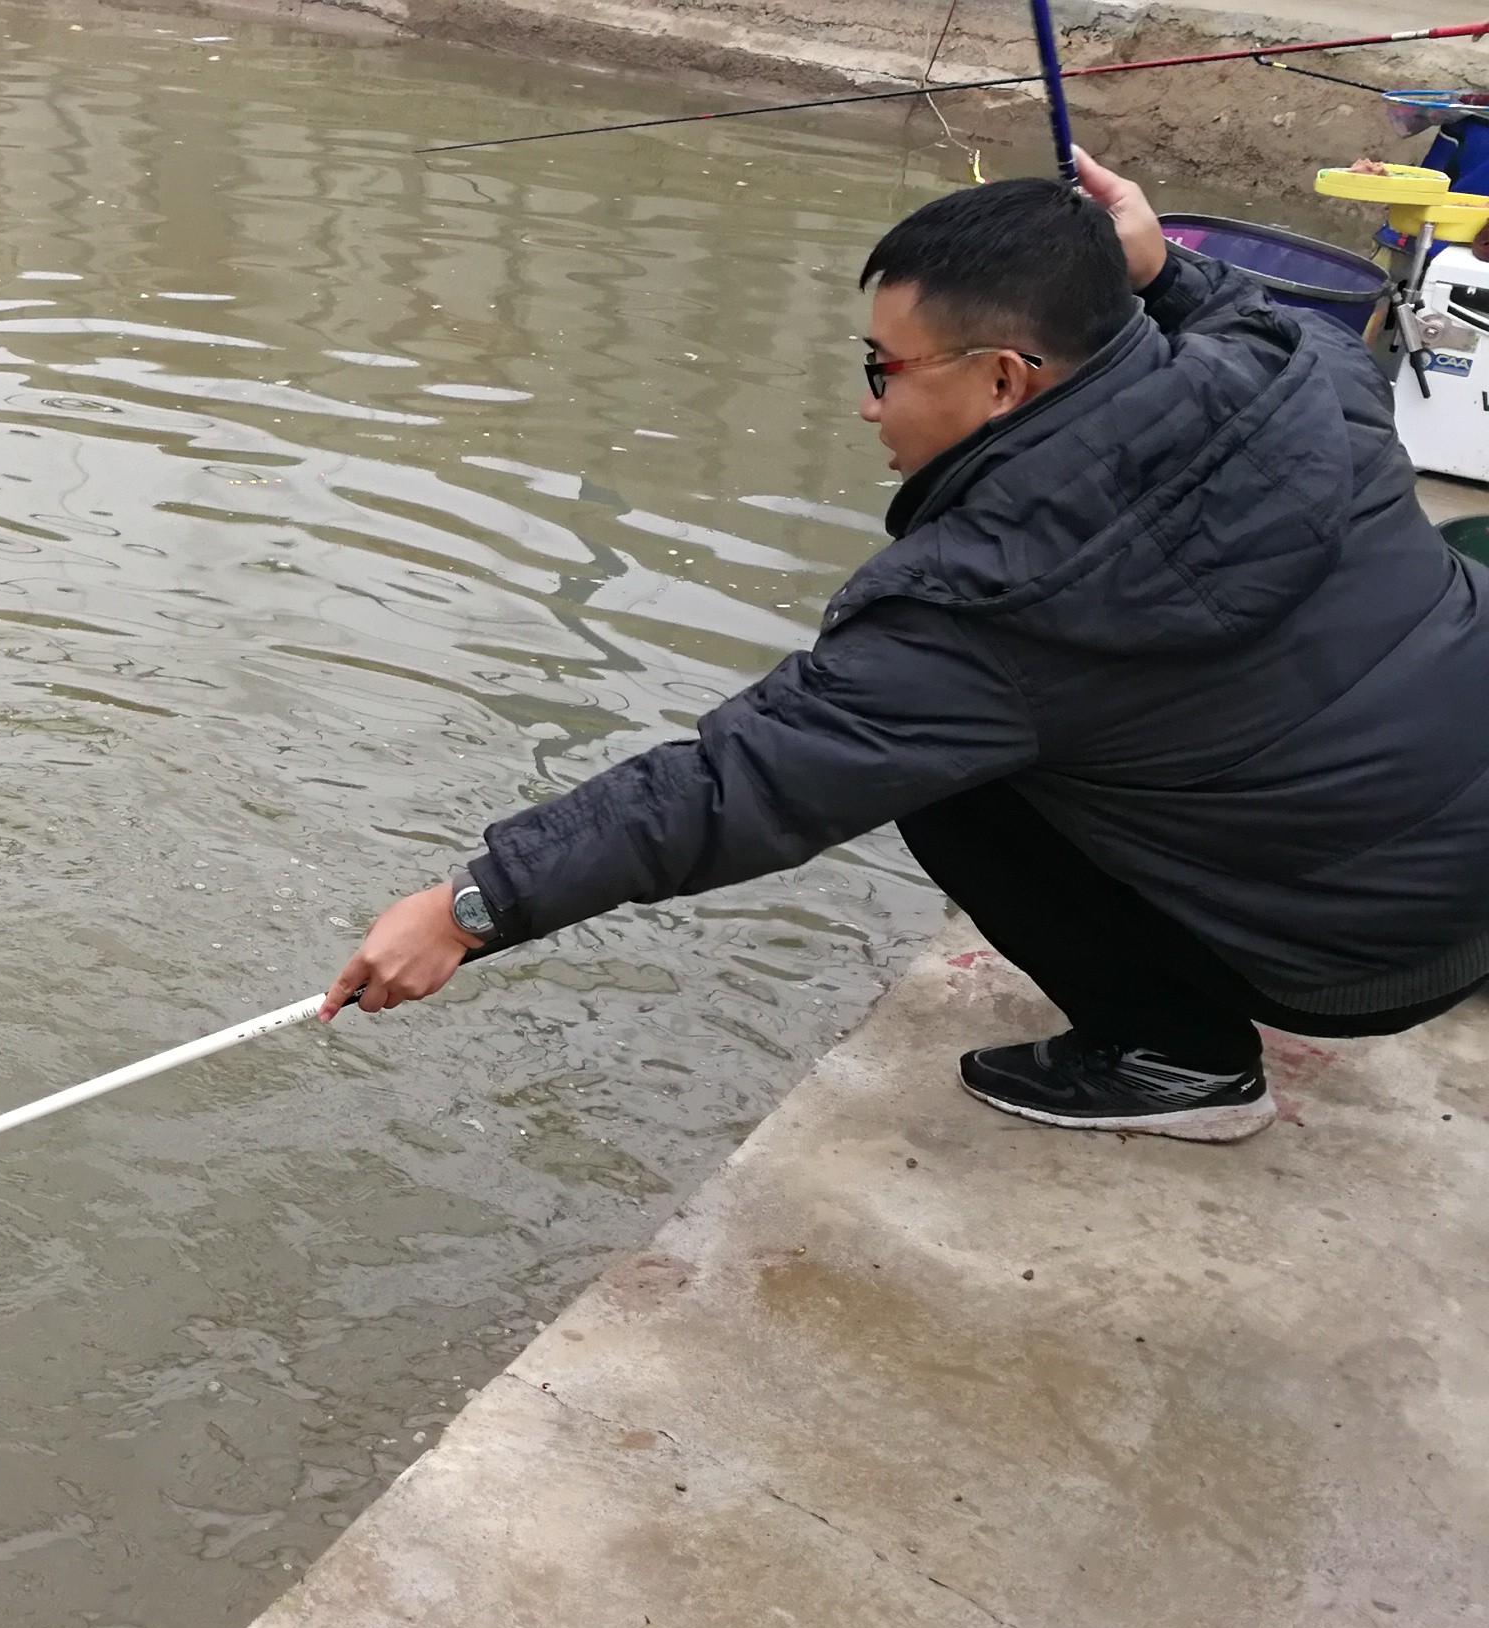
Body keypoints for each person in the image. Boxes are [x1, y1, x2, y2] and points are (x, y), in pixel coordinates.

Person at [323, 152, 1489, 1143]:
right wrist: (1159, 266)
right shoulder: (1296, 370)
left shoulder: (991, 598)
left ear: (1004, 378)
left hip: (1371, 955)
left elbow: (742, 780)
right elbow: (1247, 312)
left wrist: (474, 905)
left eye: (884, 368)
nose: (869, 405)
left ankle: (1179, 1059)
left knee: (953, 788)